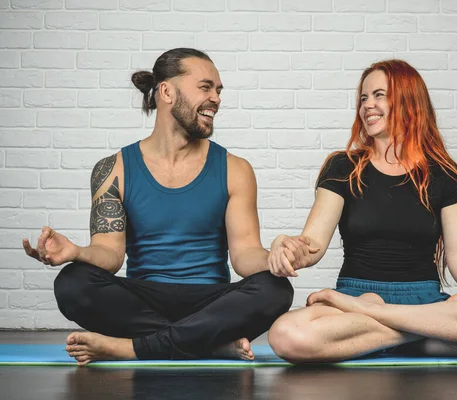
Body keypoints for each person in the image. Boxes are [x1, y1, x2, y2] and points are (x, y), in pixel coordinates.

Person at [22, 48, 293, 366]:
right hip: (142, 299)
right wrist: (76, 252)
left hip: (210, 302)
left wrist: (275, 255)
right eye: (205, 87)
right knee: (72, 282)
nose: (216, 99)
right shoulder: (114, 169)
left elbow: (245, 255)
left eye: (218, 91)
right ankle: (205, 343)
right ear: (166, 91)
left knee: (275, 288)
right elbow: (109, 255)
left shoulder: (235, 169)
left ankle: (132, 348)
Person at [266, 59, 457, 364]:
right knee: (286, 335)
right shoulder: (343, 167)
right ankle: (422, 333)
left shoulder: (445, 175)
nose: (367, 106)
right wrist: (291, 249)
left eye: (378, 95)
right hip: (359, 301)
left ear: (409, 102)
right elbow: (312, 245)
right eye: (363, 98)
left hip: (420, 301)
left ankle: (378, 326)